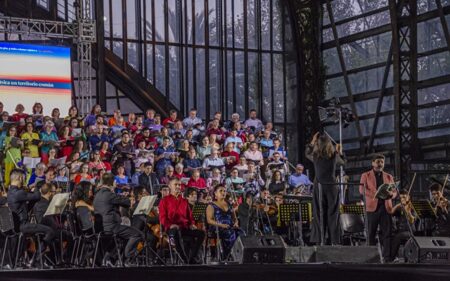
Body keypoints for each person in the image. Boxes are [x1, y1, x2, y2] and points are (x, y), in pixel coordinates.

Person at [7, 169, 56, 266]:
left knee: (41, 231)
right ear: (20, 178)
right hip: (22, 225)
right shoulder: (19, 193)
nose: (24, 181)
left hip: (16, 225)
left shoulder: (11, 192)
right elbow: (37, 197)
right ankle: (35, 259)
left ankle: (34, 259)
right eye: (24, 178)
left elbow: (26, 208)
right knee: (50, 231)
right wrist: (37, 186)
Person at [93, 173, 143, 265]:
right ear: (112, 182)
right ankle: (128, 258)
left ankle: (114, 258)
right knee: (137, 234)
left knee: (125, 235)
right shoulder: (109, 194)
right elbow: (127, 202)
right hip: (111, 227)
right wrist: (128, 198)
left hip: (101, 227)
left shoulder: (98, 194)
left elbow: (116, 200)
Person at [305, 132, 345, 246]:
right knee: (333, 214)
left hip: (320, 186)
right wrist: (340, 151)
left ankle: (320, 241)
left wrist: (312, 142)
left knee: (319, 214)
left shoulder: (315, 156)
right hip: (332, 187)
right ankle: (335, 241)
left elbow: (307, 153)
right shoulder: (333, 156)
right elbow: (343, 162)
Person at [158, 177, 205, 264]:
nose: (178, 186)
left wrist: (191, 224)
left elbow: (189, 216)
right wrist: (170, 225)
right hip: (172, 229)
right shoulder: (164, 201)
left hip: (184, 227)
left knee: (201, 233)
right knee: (177, 230)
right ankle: (184, 259)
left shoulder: (184, 201)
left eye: (179, 185)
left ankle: (191, 257)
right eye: (175, 184)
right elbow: (162, 218)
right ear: (170, 186)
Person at [359, 153, 396, 262]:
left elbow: (395, 191)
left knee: (387, 234)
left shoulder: (389, 176)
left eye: (382, 162)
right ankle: (371, 257)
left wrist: (391, 195)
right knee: (371, 233)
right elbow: (362, 190)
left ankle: (387, 258)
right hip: (372, 208)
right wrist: (377, 194)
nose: (380, 164)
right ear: (373, 163)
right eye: (378, 162)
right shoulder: (365, 175)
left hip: (386, 208)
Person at [206, 185, 240, 260]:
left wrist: (236, 223)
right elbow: (209, 220)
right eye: (220, 191)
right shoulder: (211, 205)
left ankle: (237, 255)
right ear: (215, 193)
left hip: (229, 226)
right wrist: (221, 225)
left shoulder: (229, 204)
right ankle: (225, 255)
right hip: (217, 227)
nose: (223, 192)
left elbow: (235, 218)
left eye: (224, 191)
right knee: (230, 233)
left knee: (241, 232)